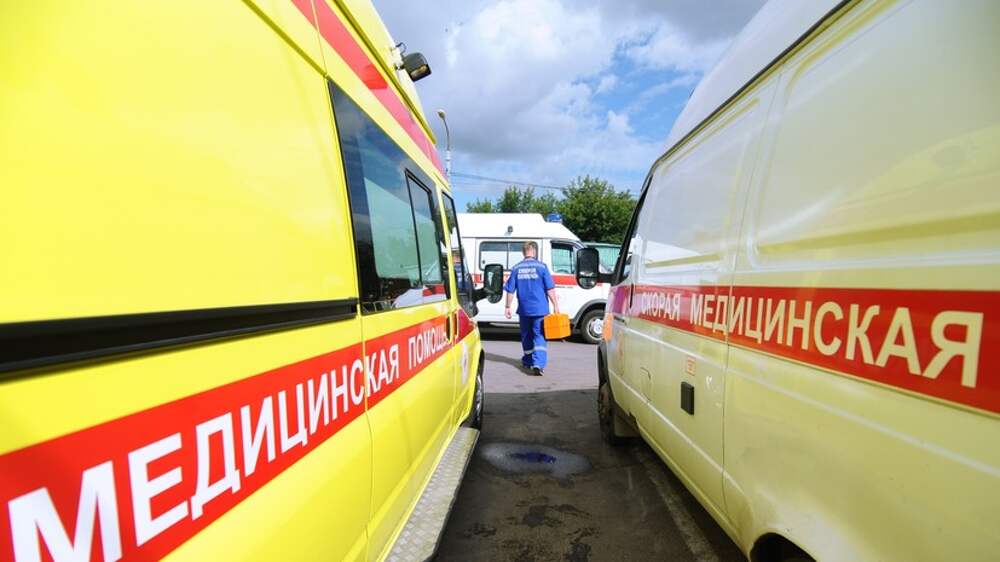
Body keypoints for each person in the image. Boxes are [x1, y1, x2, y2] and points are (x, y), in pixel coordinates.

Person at [504, 241, 559, 376]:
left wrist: (507, 307)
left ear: (523, 252)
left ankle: (528, 361)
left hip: (524, 309)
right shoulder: (542, 267)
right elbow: (550, 289)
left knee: (526, 335)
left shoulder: (516, 268)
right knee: (539, 335)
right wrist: (555, 305)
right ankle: (538, 364)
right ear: (534, 251)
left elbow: (510, 290)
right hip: (540, 309)